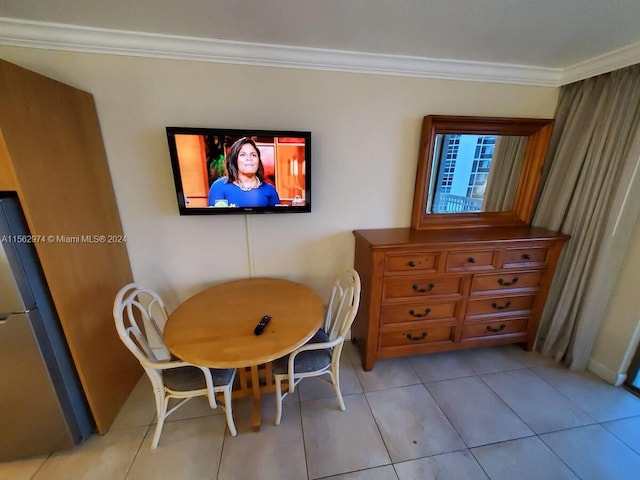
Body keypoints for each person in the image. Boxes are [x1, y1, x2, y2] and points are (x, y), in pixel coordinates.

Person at [208, 137, 280, 207]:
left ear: (258, 161)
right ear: (234, 160)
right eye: (243, 155)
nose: (249, 158)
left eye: (253, 155)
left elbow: (277, 218)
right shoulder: (219, 187)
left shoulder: (270, 190)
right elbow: (215, 218)